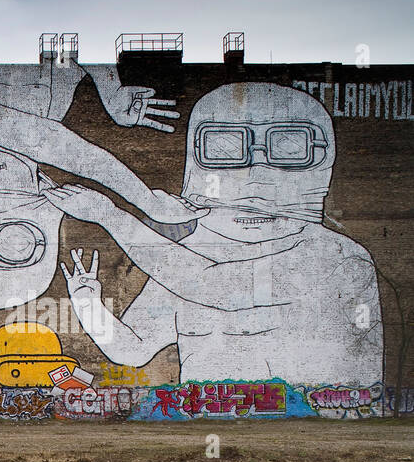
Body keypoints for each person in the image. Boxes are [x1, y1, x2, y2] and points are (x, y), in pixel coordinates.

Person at [49, 83, 382, 386]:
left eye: (290, 146)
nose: (257, 172)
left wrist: (109, 215)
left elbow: (211, 284)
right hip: (206, 419)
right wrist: (86, 302)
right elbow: (132, 348)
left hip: (311, 426)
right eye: (225, 147)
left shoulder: (333, 256)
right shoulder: (187, 255)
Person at [0, 53, 192, 310]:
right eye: (17, 244)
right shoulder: (55, 103)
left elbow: (41, 138)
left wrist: (148, 202)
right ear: (50, 212)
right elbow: (69, 54)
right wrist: (108, 84)